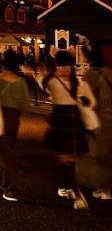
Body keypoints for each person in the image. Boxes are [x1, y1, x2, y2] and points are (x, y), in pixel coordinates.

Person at [43, 49, 93, 209]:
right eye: (62, 66)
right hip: (67, 119)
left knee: (66, 156)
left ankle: (71, 187)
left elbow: (89, 101)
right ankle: (70, 186)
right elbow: (91, 101)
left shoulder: (55, 80)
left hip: (66, 118)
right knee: (66, 156)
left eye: (66, 66)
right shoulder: (69, 81)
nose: (64, 69)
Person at [0, 50, 29, 201]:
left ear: (2, 63)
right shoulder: (21, 82)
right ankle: (1, 177)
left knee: (1, 149)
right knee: (8, 148)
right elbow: (25, 105)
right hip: (13, 117)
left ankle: (9, 186)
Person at [71, 44, 112, 202]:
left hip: (99, 120)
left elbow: (85, 99)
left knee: (100, 157)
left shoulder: (91, 75)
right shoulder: (109, 73)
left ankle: (104, 189)